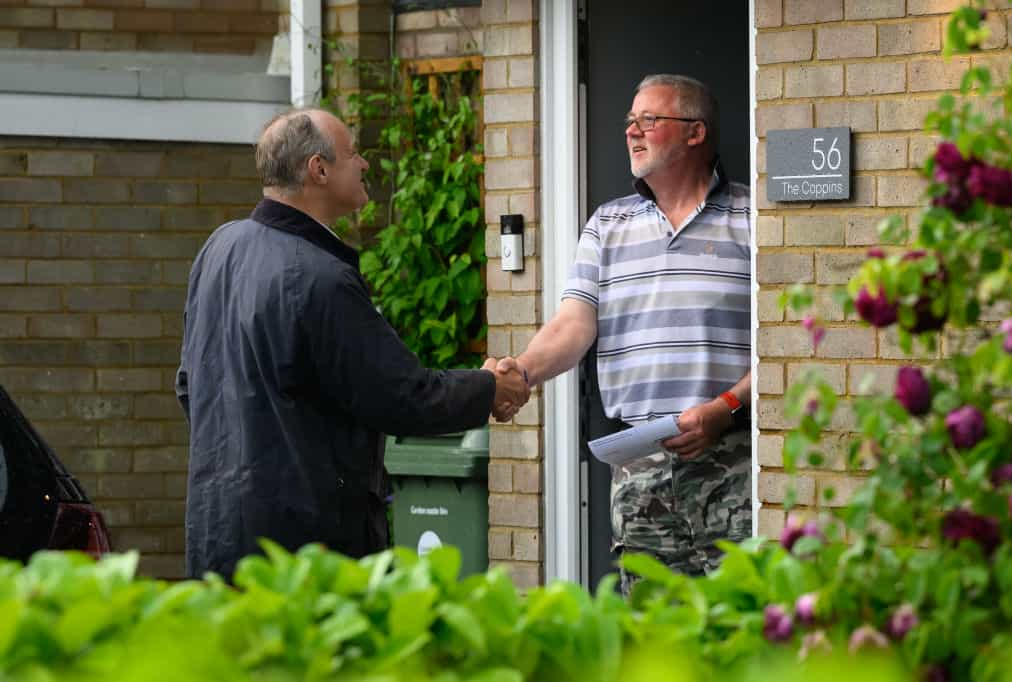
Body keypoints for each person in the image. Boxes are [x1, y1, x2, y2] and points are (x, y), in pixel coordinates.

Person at [175, 108, 529, 579]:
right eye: (353, 153)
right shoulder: (319, 279)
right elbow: (401, 396)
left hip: (214, 537)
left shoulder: (219, 249)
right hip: (302, 556)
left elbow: (189, 385)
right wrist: (489, 387)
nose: (364, 164)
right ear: (318, 170)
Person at [501, 74, 752, 592]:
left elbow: (785, 342)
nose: (632, 132)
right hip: (641, 470)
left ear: (695, 133)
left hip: (735, 463)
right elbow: (574, 324)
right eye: (629, 122)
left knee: (742, 633)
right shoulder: (607, 225)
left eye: (649, 120)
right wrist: (520, 372)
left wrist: (725, 407)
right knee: (652, 641)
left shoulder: (754, 219)